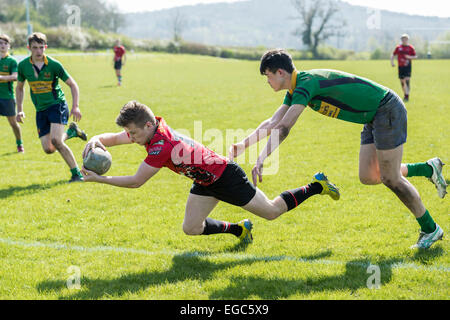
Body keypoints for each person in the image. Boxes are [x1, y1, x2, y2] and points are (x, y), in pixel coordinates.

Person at [229, 49, 446, 249]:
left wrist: (261, 158)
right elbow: (273, 121)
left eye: (268, 76)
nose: (267, 81)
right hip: (372, 115)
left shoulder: (306, 83)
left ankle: (430, 229)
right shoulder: (296, 87)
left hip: (385, 108)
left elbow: (284, 127)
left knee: (391, 178)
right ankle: (428, 169)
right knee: (369, 176)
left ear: (280, 72)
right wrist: (243, 145)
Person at [81, 100, 341, 243]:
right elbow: (114, 138)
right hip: (204, 180)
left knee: (272, 211)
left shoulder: (161, 146)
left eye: (134, 133)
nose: (131, 138)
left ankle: (316, 185)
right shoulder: (151, 130)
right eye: (130, 133)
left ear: (148, 125)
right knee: (192, 228)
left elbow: (137, 182)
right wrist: (95, 140)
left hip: (226, 176)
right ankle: (240, 229)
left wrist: (100, 179)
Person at [16, 32, 87, 182]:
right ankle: (71, 132)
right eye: (35, 48)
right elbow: (19, 88)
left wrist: (76, 107)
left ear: (45, 47)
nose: (39, 51)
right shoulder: (23, 66)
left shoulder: (54, 65)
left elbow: (73, 85)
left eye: (41, 47)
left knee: (56, 140)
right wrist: (20, 109)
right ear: (29, 48)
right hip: (40, 110)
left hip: (57, 105)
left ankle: (77, 174)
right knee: (49, 149)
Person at [0, 34, 24, 153]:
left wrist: (1, 78)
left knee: (13, 123)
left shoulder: (12, 61)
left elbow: (15, 77)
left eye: (5, 43)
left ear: (9, 46)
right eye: (0, 43)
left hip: (7, 97)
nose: (2, 46)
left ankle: (19, 144)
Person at [391, 34, 417, 102]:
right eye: (403, 39)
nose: (404, 40)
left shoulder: (410, 47)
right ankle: (405, 93)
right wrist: (392, 62)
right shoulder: (398, 47)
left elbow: (415, 56)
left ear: (407, 40)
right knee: (402, 82)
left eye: (405, 39)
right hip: (400, 67)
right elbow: (393, 55)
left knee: (407, 80)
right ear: (401, 40)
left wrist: (409, 57)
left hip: (407, 66)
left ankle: (407, 95)